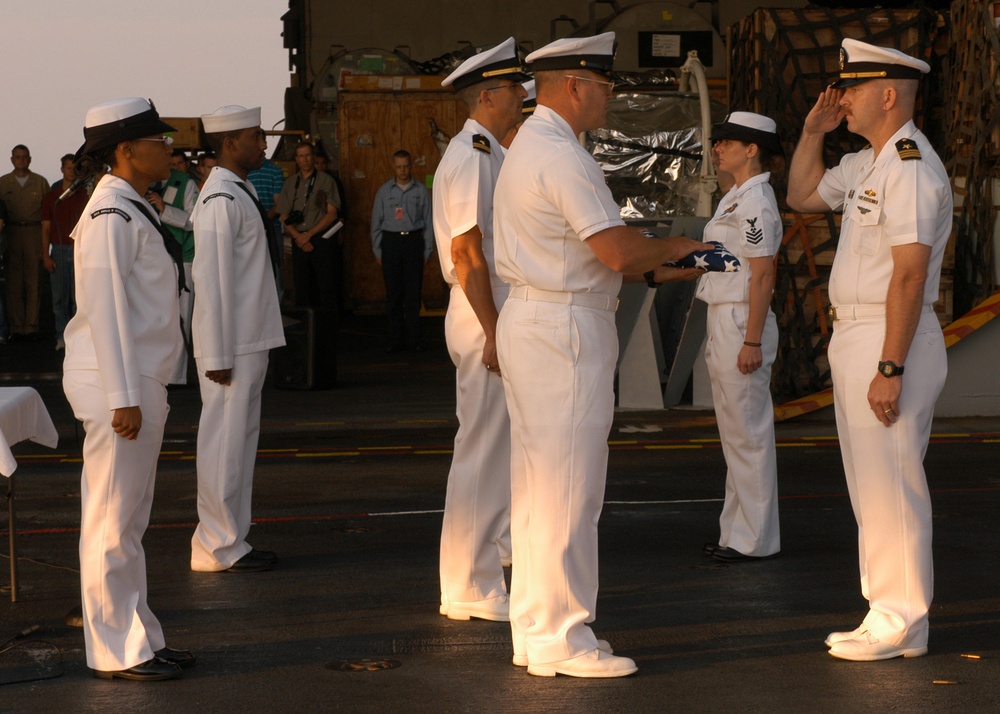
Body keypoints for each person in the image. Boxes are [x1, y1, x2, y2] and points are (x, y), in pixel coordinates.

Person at [493, 32, 703, 677]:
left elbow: (596, 250)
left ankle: (536, 629)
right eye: (606, 85)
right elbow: (614, 251)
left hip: (538, 317)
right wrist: (681, 251)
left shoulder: (534, 146)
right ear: (576, 85)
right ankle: (563, 638)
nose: (612, 96)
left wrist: (662, 260)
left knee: (538, 489)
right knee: (569, 490)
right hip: (564, 327)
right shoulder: (562, 156)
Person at [786, 38, 951, 661]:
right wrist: (813, 133)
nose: (841, 99)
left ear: (888, 95)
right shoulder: (867, 163)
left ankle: (903, 619)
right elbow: (802, 196)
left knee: (892, 483)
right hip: (857, 334)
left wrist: (890, 366)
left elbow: (909, 274)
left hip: (891, 339)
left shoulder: (909, 166)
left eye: (851, 90)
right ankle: (887, 611)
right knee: (870, 484)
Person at [62, 97, 192, 681]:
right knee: (112, 521)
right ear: (124, 151)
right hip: (121, 383)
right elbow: (106, 310)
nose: (168, 148)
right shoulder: (109, 215)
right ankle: (115, 649)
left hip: (139, 378)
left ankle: (137, 636)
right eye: (157, 141)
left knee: (128, 521)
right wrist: (123, 397)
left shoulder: (131, 207)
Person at [433, 37, 529, 624]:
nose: (523, 96)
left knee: (495, 451)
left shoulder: (490, 150)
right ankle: (468, 583)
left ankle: (481, 569)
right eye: (516, 87)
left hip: (488, 310)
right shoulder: (472, 153)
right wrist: (494, 331)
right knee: (481, 450)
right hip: (480, 313)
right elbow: (466, 252)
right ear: (489, 94)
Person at [189, 105, 286, 574]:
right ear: (229, 144)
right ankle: (216, 544)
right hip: (233, 345)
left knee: (239, 443)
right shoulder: (220, 200)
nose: (263, 144)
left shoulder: (237, 190)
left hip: (248, 339)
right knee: (224, 444)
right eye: (255, 137)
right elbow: (210, 283)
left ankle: (231, 537)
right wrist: (217, 353)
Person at [697, 112, 784, 563]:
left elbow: (763, 271)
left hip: (740, 322)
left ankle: (755, 539)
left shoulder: (756, 200)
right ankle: (737, 532)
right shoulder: (735, 196)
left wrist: (751, 340)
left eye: (728, 141)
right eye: (718, 141)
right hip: (725, 316)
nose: (718, 148)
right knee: (735, 434)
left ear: (752, 149)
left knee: (747, 433)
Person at [278, 141, 341, 381]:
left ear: (313, 157)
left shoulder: (326, 181)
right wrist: (298, 237)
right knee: (302, 288)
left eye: (308, 156)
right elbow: (284, 215)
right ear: (296, 159)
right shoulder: (290, 183)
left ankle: (329, 336)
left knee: (326, 286)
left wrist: (309, 235)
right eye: (300, 156)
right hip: (298, 240)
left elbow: (332, 213)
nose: (304, 160)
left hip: (319, 239)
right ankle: (305, 334)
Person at [370, 149, 433, 352]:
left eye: (406, 166)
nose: (403, 170)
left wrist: (427, 251)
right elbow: (376, 224)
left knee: (413, 295)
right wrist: (378, 252)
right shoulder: (383, 192)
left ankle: (414, 341)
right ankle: (395, 340)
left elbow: (429, 223)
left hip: (414, 242)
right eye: (399, 166)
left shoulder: (421, 191)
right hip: (391, 243)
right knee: (394, 295)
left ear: (411, 165)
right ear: (393, 166)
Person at [147, 150, 199, 384]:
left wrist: (165, 209)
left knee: (181, 317)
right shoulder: (147, 183)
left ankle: (176, 376)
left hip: (183, 259)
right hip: (156, 258)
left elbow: (193, 220)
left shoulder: (186, 184)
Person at [0, 144, 50, 341]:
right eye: (17, 157)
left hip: (33, 232)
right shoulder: (3, 183)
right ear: (12, 159)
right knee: (13, 282)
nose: (21, 160)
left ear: (30, 159)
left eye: (24, 157)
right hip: (10, 232)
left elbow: (48, 213)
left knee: (34, 280)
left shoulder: (40, 182)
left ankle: (31, 326)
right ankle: (17, 327)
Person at [40, 153, 89, 351]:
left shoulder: (85, 193)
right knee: (59, 298)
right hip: (59, 250)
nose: (71, 171)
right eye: (68, 168)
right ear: (62, 169)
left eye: (75, 168)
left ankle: (78, 338)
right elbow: (45, 228)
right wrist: (45, 255)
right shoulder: (52, 197)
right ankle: (61, 336)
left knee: (79, 298)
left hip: (79, 250)